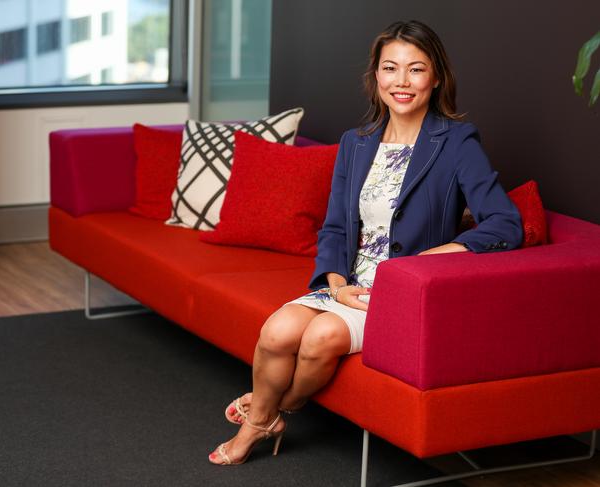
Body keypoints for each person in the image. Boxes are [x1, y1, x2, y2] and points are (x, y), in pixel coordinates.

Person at [208, 20, 523, 466]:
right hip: (349, 283)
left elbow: (506, 223)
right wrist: (335, 285)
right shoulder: (356, 144)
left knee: (320, 337)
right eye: (391, 68)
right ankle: (269, 415)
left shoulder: (455, 142)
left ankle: (262, 419)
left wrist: (437, 255)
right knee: (276, 331)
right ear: (375, 76)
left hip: (399, 292)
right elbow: (336, 227)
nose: (402, 81)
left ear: (435, 77)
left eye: (415, 70)